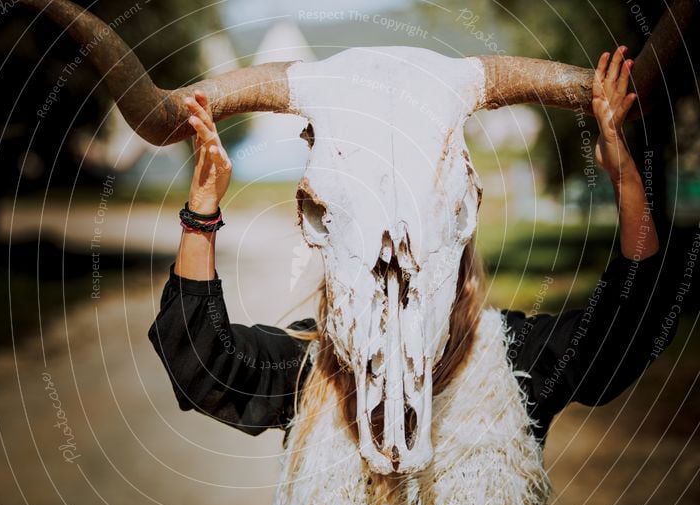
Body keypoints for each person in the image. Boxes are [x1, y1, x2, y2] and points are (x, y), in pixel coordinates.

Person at [149, 47, 673, 462]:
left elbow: (626, 333)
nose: (393, 262)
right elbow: (201, 365)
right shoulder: (309, 373)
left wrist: (626, 178)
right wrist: (202, 207)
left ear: (463, 216)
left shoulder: (511, 364)